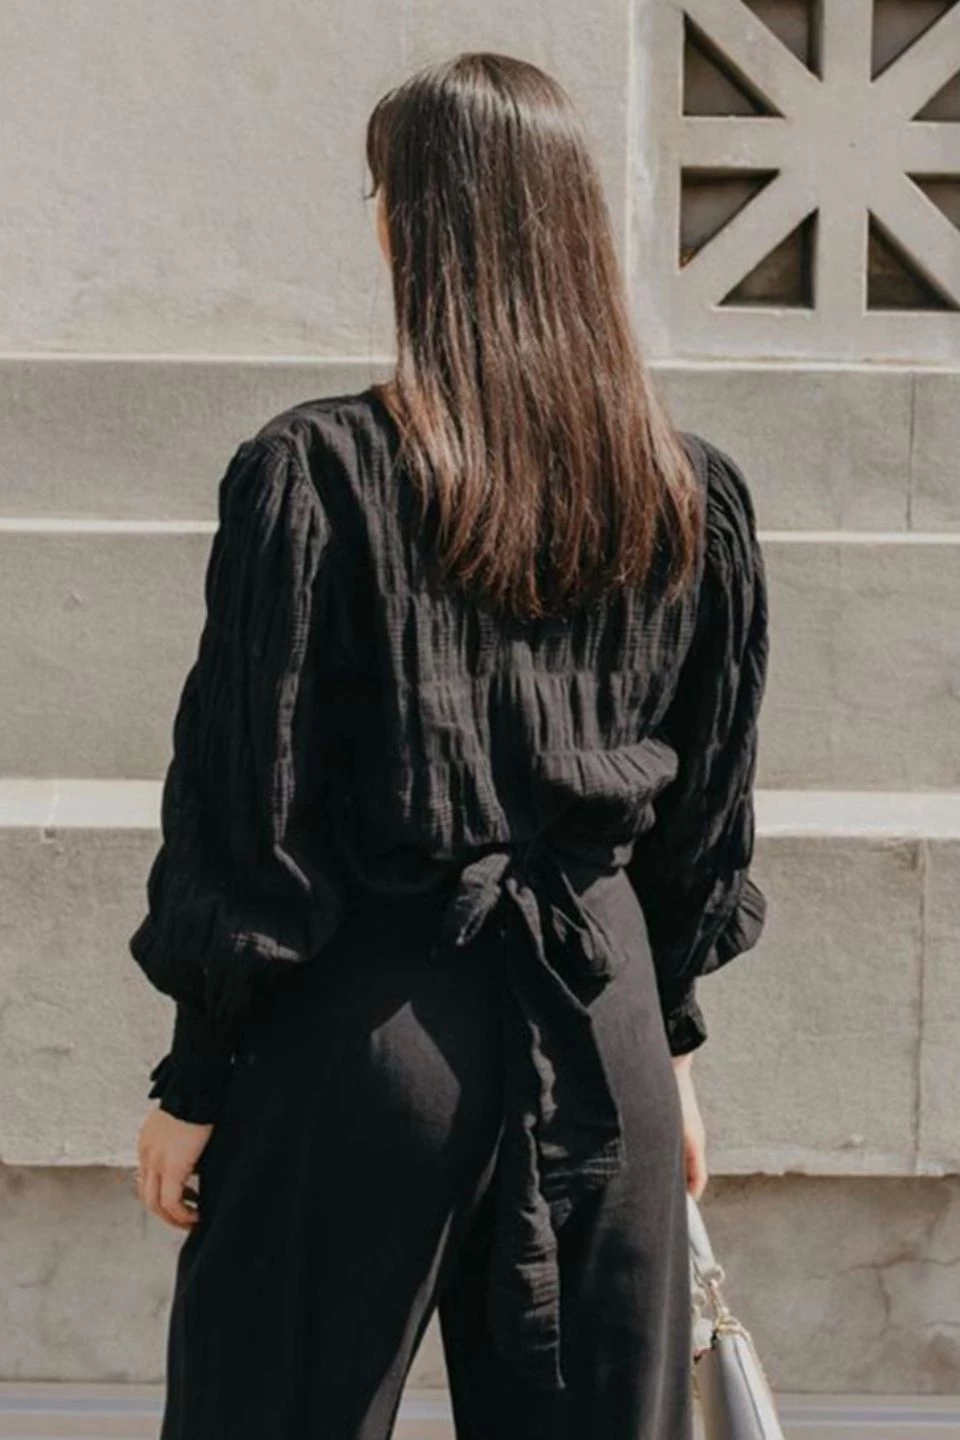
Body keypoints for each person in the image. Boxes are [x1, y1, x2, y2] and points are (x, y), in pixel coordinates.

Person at [129, 50, 769, 1440]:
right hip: (604, 1028)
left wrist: (197, 1073)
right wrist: (669, 1051)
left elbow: (251, 802)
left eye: (379, 191)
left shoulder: (316, 474)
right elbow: (704, 817)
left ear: (411, 225)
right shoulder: (689, 490)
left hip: (371, 1022)